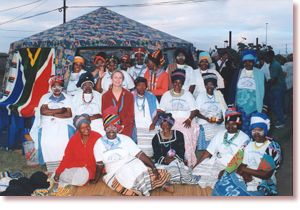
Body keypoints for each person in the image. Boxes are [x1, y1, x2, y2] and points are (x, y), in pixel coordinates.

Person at [93, 109, 172, 196]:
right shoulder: (99, 143)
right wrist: (95, 180)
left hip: (132, 165)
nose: (111, 130)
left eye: (114, 127)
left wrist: (153, 167)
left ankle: (161, 184)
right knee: (123, 187)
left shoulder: (125, 139)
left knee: (157, 173)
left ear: (117, 129)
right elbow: (99, 165)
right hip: (115, 171)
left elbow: (139, 154)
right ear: (105, 129)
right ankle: (140, 189)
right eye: (108, 127)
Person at [212, 112, 282, 196]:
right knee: (221, 185)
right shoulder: (248, 144)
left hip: (263, 183)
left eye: (260, 130)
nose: (256, 134)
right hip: (247, 175)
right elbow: (240, 161)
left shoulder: (272, 147)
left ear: (265, 130)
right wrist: (229, 171)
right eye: (253, 130)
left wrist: (243, 170)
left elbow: (265, 174)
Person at [192, 106, 250, 188]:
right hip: (216, 162)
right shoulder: (220, 134)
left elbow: (241, 160)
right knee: (196, 173)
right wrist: (196, 165)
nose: (230, 126)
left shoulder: (245, 138)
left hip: (233, 167)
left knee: (221, 183)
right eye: (228, 124)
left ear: (238, 124)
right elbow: (208, 152)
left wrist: (227, 171)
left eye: (233, 124)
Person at [31, 76, 74, 173]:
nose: (57, 89)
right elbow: (43, 111)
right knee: (45, 137)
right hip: (47, 122)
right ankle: (48, 163)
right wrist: (60, 110)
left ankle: (65, 162)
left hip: (64, 122)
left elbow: (69, 114)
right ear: (51, 87)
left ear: (62, 87)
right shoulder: (45, 97)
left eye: (59, 86)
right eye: (54, 87)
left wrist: (51, 112)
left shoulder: (68, 98)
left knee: (66, 134)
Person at [159, 69, 199, 167]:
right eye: (175, 82)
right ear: (172, 83)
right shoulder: (166, 95)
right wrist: (164, 121)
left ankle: (187, 161)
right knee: (170, 134)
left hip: (186, 120)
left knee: (185, 134)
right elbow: (161, 111)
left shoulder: (188, 94)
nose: (177, 84)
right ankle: (170, 160)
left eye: (180, 83)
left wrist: (189, 119)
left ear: (182, 83)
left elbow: (194, 110)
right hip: (170, 121)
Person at [53, 114, 101, 186]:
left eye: (88, 126)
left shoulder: (97, 137)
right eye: (82, 128)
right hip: (75, 166)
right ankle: (64, 179)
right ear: (78, 129)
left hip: (90, 169)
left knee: (80, 179)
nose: (86, 129)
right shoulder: (74, 139)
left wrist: (97, 178)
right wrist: (58, 172)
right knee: (57, 173)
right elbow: (67, 157)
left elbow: (101, 159)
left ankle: (64, 181)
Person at [152, 113, 199, 185]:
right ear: (160, 125)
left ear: (171, 125)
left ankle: (172, 179)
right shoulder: (156, 138)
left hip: (176, 161)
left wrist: (173, 160)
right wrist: (165, 160)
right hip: (163, 164)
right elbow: (156, 155)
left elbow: (181, 151)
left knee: (178, 167)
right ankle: (173, 179)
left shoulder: (178, 134)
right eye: (162, 125)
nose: (165, 127)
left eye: (167, 125)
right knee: (160, 171)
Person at [229, 53, 265, 136]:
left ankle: (251, 145)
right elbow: (232, 89)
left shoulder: (260, 74)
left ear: (254, 62)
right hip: (239, 107)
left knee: (254, 127)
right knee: (239, 126)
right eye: (245, 62)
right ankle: (241, 144)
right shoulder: (238, 73)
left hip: (255, 106)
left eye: (250, 62)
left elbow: (265, 90)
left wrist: (264, 107)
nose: (247, 64)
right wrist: (231, 105)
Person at [195, 73, 227, 150]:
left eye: (212, 85)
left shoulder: (219, 95)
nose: (209, 87)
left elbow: (224, 109)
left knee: (222, 133)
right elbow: (196, 112)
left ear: (215, 86)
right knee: (206, 130)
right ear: (205, 86)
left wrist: (222, 119)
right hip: (205, 120)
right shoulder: (201, 95)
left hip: (218, 122)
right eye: (207, 85)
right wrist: (206, 119)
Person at [132, 77, 160, 156]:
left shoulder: (151, 96)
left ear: (146, 86)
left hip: (150, 125)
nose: (141, 87)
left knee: (151, 148)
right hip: (136, 127)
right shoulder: (131, 96)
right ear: (135, 86)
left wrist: (153, 123)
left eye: (143, 85)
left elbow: (158, 112)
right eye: (139, 85)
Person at [101, 70, 134, 137]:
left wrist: (122, 126)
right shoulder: (105, 96)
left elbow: (130, 115)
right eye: (115, 77)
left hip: (126, 126)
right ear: (111, 79)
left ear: (123, 80)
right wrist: (115, 127)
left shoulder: (129, 95)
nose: (117, 80)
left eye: (120, 78)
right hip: (111, 127)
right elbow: (105, 114)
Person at [266, 50, 287, 128]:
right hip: (277, 87)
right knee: (278, 104)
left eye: (267, 57)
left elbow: (274, 80)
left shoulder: (275, 65)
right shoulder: (272, 64)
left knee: (277, 105)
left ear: (270, 56)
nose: (266, 59)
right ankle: (282, 116)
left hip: (278, 87)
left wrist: (266, 84)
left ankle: (281, 122)